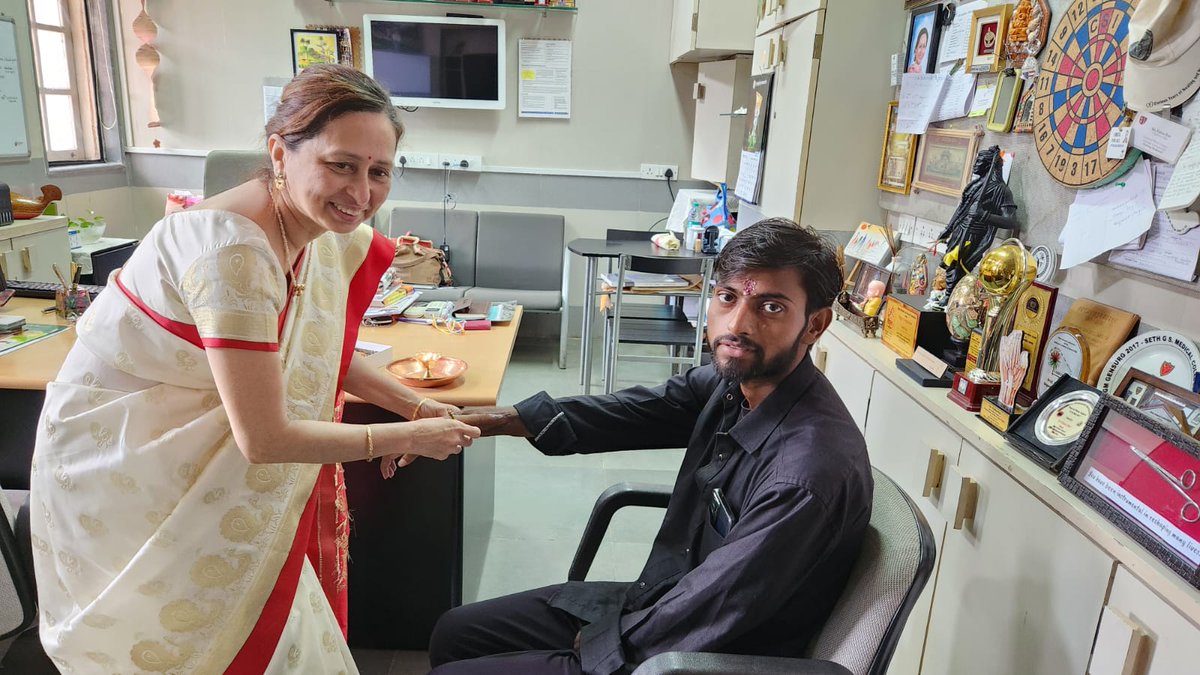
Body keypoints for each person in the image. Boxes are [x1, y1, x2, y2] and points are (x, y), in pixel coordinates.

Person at [28, 64, 480, 673]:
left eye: (380, 172)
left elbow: (319, 352)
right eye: (341, 165)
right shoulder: (233, 251)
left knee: (272, 622)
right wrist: (405, 436)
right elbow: (265, 438)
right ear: (279, 152)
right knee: (192, 639)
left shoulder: (317, 230)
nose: (362, 192)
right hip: (146, 465)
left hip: (215, 457)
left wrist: (413, 402)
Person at [432, 219, 873, 675]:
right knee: (455, 632)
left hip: (706, 655)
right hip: (664, 599)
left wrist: (609, 643)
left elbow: (719, 603)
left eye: (771, 307)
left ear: (814, 325)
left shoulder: (805, 473)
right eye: (728, 297)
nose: (738, 324)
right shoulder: (738, 384)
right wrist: (490, 421)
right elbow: (630, 411)